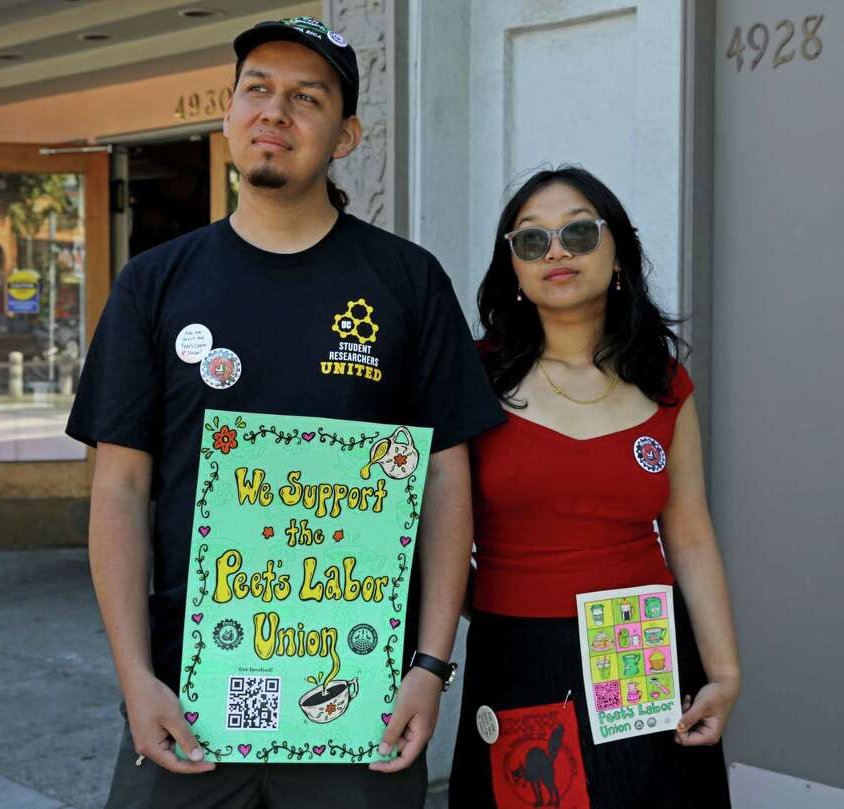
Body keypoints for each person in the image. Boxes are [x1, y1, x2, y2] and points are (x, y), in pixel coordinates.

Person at [66, 16, 504, 809]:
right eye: (257, 90)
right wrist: (134, 679)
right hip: (185, 701)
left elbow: (445, 480)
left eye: (307, 97)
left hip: (358, 703)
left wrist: (431, 666)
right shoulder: (154, 285)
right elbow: (119, 490)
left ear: (345, 135)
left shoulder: (406, 282)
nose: (276, 112)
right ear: (229, 112)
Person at [449, 167, 740, 808]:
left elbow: (689, 534)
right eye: (531, 240)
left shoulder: (663, 381)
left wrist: (724, 673)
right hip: (519, 654)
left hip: (641, 647)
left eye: (579, 231)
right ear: (514, 271)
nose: (556, 250)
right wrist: (482, 602)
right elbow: (427, 527)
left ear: (617, 254)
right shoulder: (471, 377)